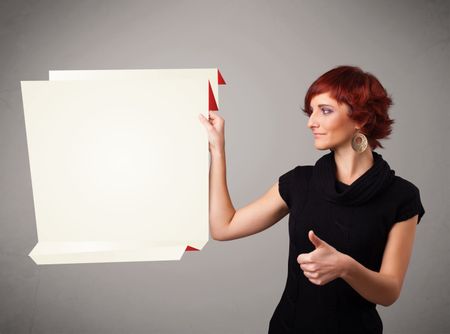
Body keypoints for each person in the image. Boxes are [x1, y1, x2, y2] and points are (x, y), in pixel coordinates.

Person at [198, 65, 425, 334]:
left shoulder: (401, 196)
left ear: (360, 119)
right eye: (311, 111)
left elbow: (389, 292)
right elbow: (224, 227)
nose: (311, 122)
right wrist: (218, 150)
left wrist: (346, 267)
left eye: (325, 110)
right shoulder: (299, 182)